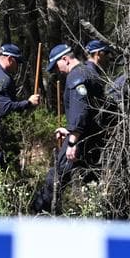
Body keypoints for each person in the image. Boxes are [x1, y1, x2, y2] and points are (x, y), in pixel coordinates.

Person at [31, 44, 103, 214]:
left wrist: (72, 141)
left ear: (65, 59)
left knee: (55, 179)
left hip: (81, 140)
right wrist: (69, 130)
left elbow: (81, 110)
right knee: (91, 181)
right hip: (93, 139)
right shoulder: (90, 71)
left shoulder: (76, 75)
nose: (58, 70)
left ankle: (38, 216)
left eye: (57, 65)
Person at [0, 43, 40, 170]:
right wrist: (28, 103)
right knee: (3, 165)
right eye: (17, 62)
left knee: (5, 165)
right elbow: (5, 108)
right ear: (9, 59)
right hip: (1, 130)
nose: (18, 66)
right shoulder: (2, 78)